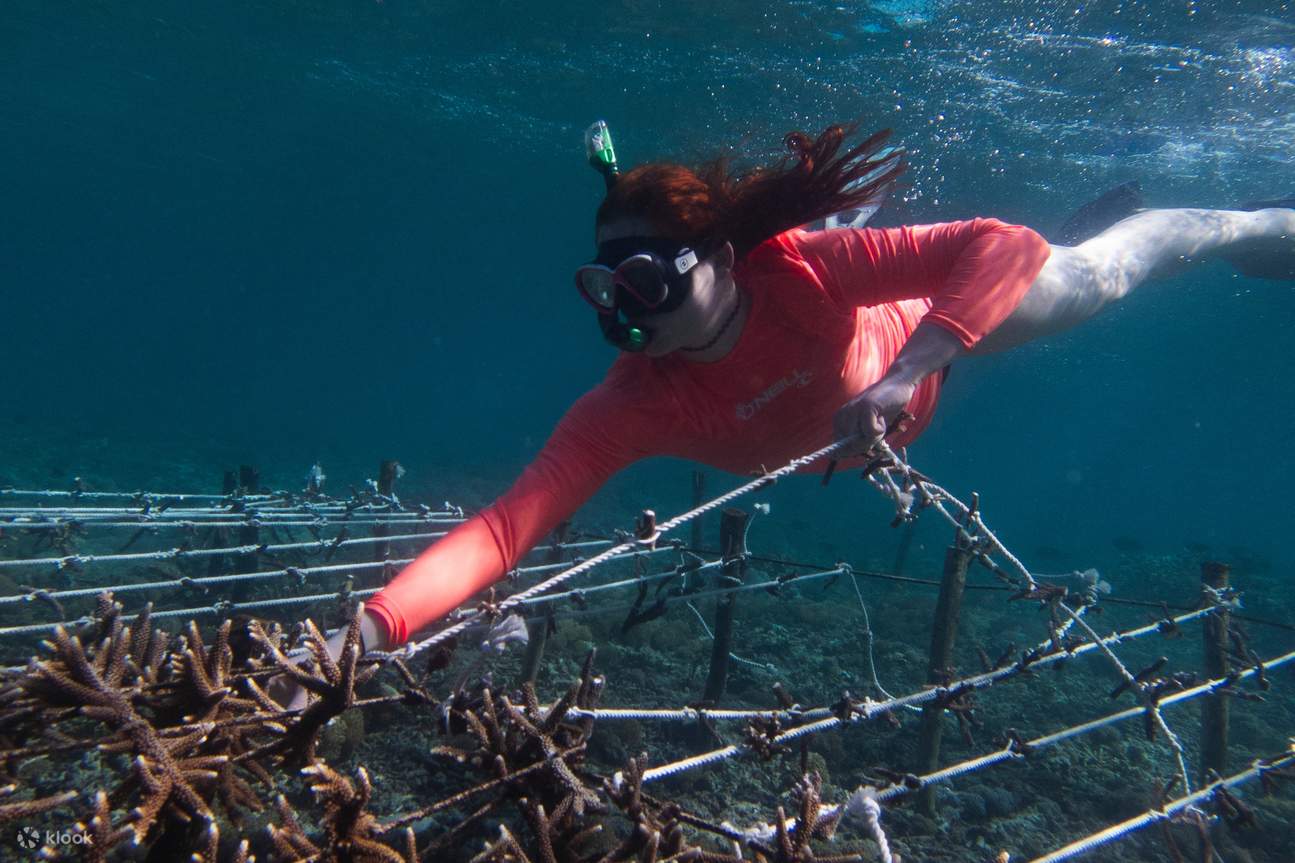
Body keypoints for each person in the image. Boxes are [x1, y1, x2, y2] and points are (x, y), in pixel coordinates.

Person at [268, 122, 1293, 708]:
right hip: (866, 405)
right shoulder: (631, 402)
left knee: (1093, 273)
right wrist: (371, 628)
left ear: (719, 260)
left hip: (921, 339)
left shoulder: (802, 269)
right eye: (604, 288)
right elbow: (505, 527)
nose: (624, 310)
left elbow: (1002, 247)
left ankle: (1246, 225)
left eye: (644, 280)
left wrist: (911, 368)